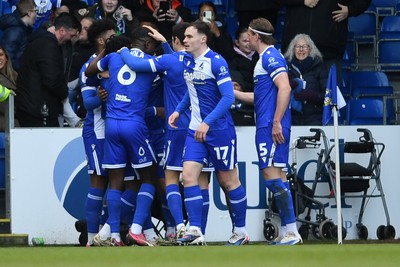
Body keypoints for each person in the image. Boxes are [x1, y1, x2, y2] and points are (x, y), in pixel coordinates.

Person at [119, 23, 214, 242]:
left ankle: (179, 226)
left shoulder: (169, 61)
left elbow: (135, 63)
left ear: (175, 40)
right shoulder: (199, 61)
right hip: (199, 127)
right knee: (201, 181)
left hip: (175, 126)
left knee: (170, 178)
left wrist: (122, 48)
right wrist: (166, 43)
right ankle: (200, 232)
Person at [168, 21, 248, 246]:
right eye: (184, 37)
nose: (185, 40)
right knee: (188, 176)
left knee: (228, 180)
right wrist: (177, 111)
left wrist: (208, 122)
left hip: (219, 131)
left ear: (203, 39)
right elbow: (190, 91)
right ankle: (195, 230)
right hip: (195, 130)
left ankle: (240, 231)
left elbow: (228, 98)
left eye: (189, 37)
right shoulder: (188, 63)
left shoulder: (216, 62)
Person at [85, 26, 161, 247]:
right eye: (153, 45)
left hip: (112, 126)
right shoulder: (150, 62)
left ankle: (114, 235)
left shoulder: (113, 58)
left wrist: (107, 50)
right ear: (147, 44)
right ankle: (136, 229)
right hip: (135, 125)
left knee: (116, 183)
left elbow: (90, 71)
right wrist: (163, 43)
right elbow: (173, 66)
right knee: (148, 179)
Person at [246, 17, 301, 245]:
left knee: (272, 178)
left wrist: (277, 121)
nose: (246, 38)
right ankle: (290, 230)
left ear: (257, 36)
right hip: (269, 123)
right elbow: (261, 97)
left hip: (270, 125)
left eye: (248, 34)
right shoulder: (265, 59)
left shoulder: (270, 56)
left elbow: (285, 87)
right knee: (278, 177)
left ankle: (292, 232)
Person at [79, 18, 116, 247]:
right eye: (112, 36)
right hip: (97, 131)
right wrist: (99, 98)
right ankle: (92, 238)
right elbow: (86, 102)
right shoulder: (89, 66)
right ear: (101, 40)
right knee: (99, 183)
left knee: (118, 183)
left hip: (116, 132)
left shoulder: (119, 62)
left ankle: (111, 234)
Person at [277, 0, 371, 82]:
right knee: (296, 98)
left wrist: (350, 9)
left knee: (329, 98)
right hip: (296, 50)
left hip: (329, 49)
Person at [15, 12, 81, 127]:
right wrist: (64, 92)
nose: (70, 40)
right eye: (71, 35)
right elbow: (52, 80)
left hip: (32, 106)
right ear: (62, 30)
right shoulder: (48, 46)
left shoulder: (40, 41)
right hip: (39, 110)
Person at [284, 33, 329, 125]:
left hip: (314, 118)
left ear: (310, 49)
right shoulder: (285, 68)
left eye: (305, 46)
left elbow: (328, 97)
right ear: (293, 49)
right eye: (297, 46)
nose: (301, 49)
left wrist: (313, 96)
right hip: (292, 118)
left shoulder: (320, 67)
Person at [0, 0, 37, 72]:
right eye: (36, 11)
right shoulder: (15, 31)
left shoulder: (25, 28)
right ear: (29, 13)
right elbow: (8, 59)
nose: (36, 15)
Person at [75, 0, 139, 35]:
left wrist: (131, 21)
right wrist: (80, 15)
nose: (110, 2)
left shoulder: (125, 15)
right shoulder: (90, 12)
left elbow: (136, 36)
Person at [0, 45, 18, 131]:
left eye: (1, 55)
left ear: (6, 58)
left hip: (13, 121)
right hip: (4, 125)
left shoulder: (16, 76)